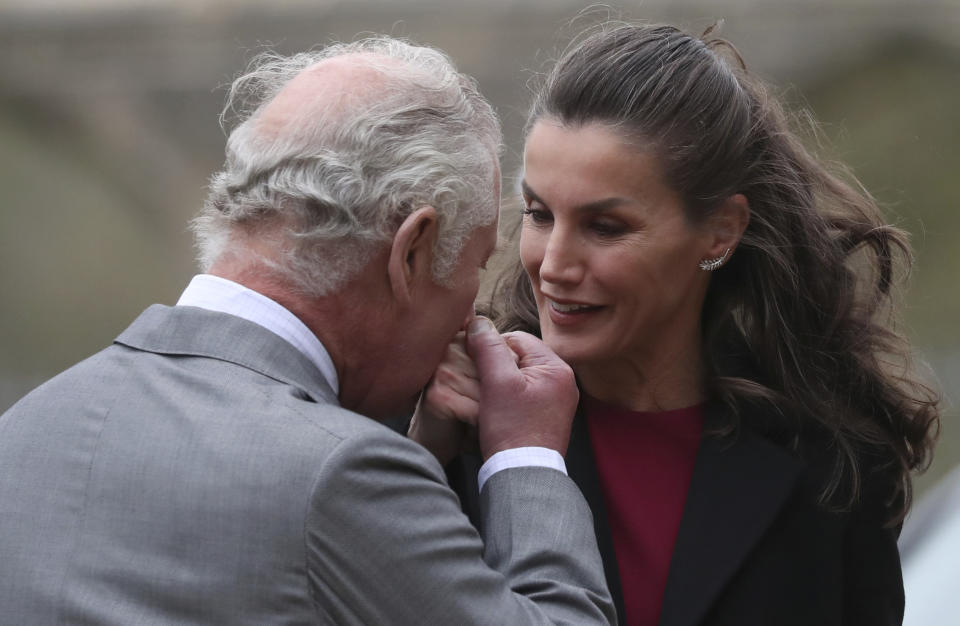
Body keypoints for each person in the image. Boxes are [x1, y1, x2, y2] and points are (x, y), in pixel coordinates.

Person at [0, 38, 617, 625]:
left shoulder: (25, 428)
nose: (470, 318)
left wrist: (423, 450)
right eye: (477, 267)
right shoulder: (342, 476)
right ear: (412, 252)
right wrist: (524, 454)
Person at [412, 23, 940, 626]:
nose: (553, 264)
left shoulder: (835, 462)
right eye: (539, 213)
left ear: (720, 230)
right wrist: (426, 448)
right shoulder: (458, 421)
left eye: (606, 227)